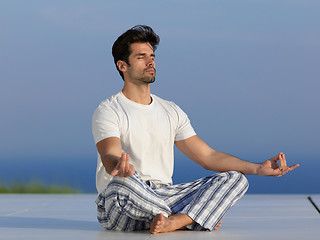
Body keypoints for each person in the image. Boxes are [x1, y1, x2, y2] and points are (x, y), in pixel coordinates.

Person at [92, 25, 299, 234]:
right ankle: (192, 218)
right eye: (141, 57)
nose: (150, 61)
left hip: (165, 195)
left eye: (152, 56)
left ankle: (173, 221)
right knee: (120, 186)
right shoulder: (109, 109)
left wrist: (257, 168)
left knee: (235, 179)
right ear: (122, 66)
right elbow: (109, 153)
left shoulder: (170, 110)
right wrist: (118, 166)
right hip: (124, 201)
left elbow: (208, 156)